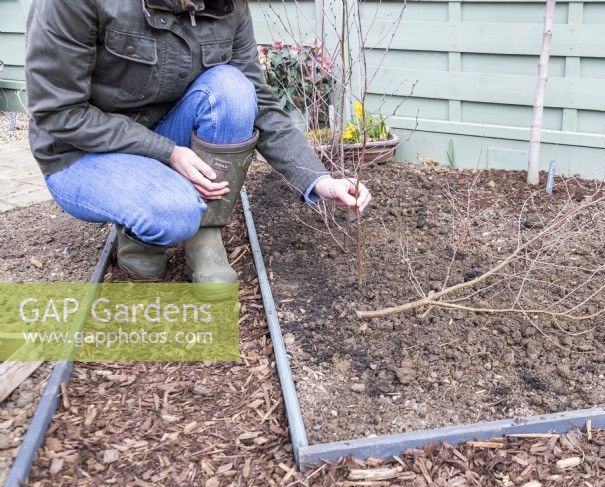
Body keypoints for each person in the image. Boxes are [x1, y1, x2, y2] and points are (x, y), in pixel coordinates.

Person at [25, 0, 371, 299]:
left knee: (233, 89)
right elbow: (59, 112)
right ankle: (138, 230)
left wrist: (319, 179)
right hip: (80, 152)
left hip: (164, 132)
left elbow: (260, 104)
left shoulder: (228, 6)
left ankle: (205, 233)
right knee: (173, 214)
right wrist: (166, 152)